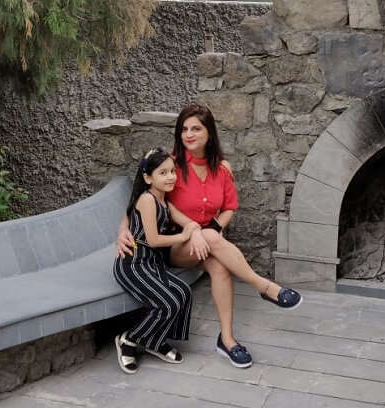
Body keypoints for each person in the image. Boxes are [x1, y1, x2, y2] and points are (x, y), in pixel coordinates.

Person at [116, 103, 302, 369]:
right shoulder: (171, 166)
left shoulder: (222, 168)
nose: (189, 134)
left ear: (209, 133)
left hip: (207, 242)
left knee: (220, 268)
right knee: (214, 242)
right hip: (174, 245)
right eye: (184, 129)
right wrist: (123, 231)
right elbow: (139, 200)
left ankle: (227, 340)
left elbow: (229, 208)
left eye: (196, 129)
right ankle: (264, 287)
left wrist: (210, 230)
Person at [113, 147, 198, 374]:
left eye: (172, 171)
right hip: (133, 264)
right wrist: (183, 235)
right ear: (148, 177)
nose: (170, 177)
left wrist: (194, 229)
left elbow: (190, 222)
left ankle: (153, 340)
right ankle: (129, 340)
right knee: (168, 301)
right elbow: (152, 240)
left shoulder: (165, 203)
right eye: (163, 173)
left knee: (183, 292)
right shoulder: (147, 200)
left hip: (151, 265)